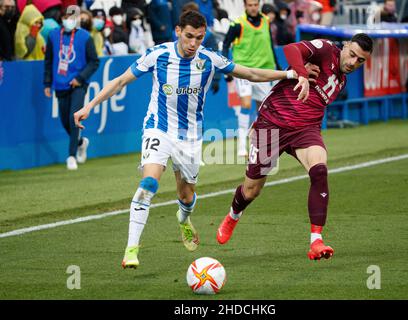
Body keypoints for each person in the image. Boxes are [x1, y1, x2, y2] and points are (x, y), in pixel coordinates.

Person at [73, 10, 298, 269]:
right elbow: (121, 80)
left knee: (187, 195)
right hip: (158, 128)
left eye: (199, 38)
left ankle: (183, 217)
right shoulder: (158, 55)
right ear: (178, 31)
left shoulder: (209, 59)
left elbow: (249, 74)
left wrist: (289, 75)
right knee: (148, 182)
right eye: (189, 36)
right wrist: (89, 105)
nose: (193, 44)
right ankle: (131, 249)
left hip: (190, 136)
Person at [216, 33, 374, 261]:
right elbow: (291, 49)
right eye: (352, 55)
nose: (353, 63)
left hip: (305, 131)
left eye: (360, 61)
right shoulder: (326, 49)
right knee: (252, 190)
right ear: (346, 45)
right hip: (272, 124)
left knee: (320, 170)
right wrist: (300, 72)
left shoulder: (341, 81)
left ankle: (316, 241)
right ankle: (233, 215)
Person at [44, 6, 100, 170]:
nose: (69, 20)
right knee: (64, 120)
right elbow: (48, 61)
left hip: (78, 84)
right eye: (67, 16)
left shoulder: (85, 36)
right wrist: (47, 83)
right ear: (62, 18)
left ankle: (71, 156)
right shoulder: (53, 35)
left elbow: (94, 61)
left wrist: (80, 78)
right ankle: (81, 142)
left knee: (73, 118)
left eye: (73, 17)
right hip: (60, 84)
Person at [222, 0, 280, 157]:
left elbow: (269, 45)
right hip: (244, 71)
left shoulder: (266, 21)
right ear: (245, 6)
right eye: (250, 5)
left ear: (259, 5)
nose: (253, 8)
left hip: (263, 71)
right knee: (246, 104)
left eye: (255, 5)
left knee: (263, 109)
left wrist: (278, 66)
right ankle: (242, 146)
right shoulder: (238, 24)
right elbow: (226, 44)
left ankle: (260, 144)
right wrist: (226, 67)